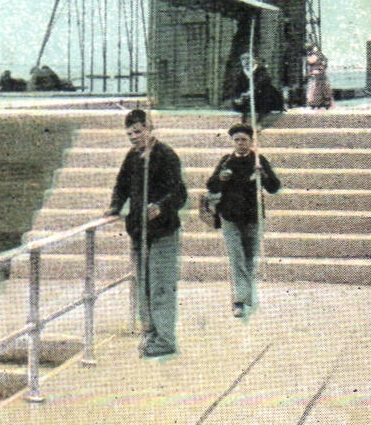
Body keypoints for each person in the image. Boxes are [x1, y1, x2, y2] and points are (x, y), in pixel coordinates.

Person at [106, 109, 188, 358]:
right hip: (139, 231)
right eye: (129, 133)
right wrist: (114, 206)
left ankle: (165, 338)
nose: (133, 137)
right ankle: (150, 331)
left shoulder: (165, 155)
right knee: (143, 285)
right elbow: (121, 186)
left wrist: (161, 206)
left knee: (160, 285)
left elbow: (180, 193)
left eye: (138, 132)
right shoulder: (132, 156)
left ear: (149, 128)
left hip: (162, 232)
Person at [205, 124, 280, 320]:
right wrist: (221, 178)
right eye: (236, 140)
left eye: (243, 140)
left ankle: (246, 295)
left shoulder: (258, 160)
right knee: (237, 258)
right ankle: (239, 300)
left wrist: (262, 175)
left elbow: (274, 187)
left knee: (248, 257)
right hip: (229, 216)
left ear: (251, 142)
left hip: (252, 217)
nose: (240, 144)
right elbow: (211, 186)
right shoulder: (226, 161)